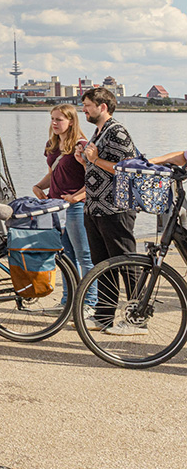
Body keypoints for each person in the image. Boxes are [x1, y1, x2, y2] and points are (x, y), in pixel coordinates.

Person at [78, 86, 140, 334]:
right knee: (102, 264)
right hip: (95, 208)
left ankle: (137, 318)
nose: (84, 110)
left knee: (126, 263)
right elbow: (96, 170)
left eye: (87, 105)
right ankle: (104, 316)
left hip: (116, 208)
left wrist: (94, 160)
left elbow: (128, 169)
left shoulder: (118, 132)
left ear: (102, 107)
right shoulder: (98, 132)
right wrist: (85, 161)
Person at [32, 103, 96, 322]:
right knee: (65, 257)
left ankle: (90, 304)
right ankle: (68, 302)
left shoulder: (82, 145)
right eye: (52, 119)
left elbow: (94, 178)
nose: (55, 123)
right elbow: (53, 173)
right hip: (56, 206)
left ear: (71, 121)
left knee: (84, 256)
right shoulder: (52, 145)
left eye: (59, 119)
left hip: (76, 207)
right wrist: (38, 186)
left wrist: (77, 196)